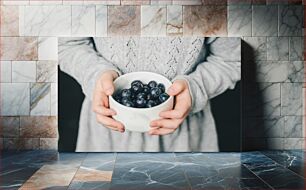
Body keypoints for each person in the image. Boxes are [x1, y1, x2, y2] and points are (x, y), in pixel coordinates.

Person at [59, 37, 241, 152]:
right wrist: (96, 75)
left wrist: (195, 88)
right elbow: (68, 44)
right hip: (105, 131)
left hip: (184, 136)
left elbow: (232, 59)